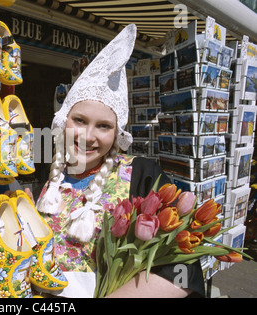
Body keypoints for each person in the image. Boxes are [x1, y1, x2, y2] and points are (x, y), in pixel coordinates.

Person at [35, 24, 205, 298]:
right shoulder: (49, 168)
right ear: (63, 120)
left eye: (103, 126)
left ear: (117, 134)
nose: (88, 137)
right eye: (79, 120)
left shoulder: (143, 174)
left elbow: (183, 266)